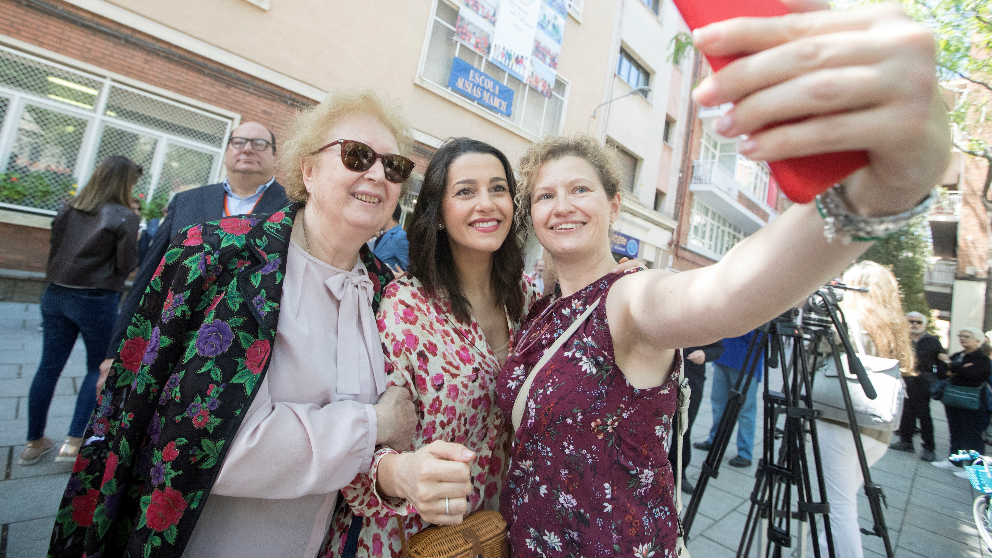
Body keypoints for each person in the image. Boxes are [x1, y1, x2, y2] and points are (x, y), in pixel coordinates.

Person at [493, 4, 949, 554]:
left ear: (614, 204)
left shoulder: (632, 298)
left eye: (580, 190)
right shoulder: (542, 307)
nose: (562, 205)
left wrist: (886, 188)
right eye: (545, 195)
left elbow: (726, 290)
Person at [48, 91, 419, 557]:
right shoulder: (218, 255)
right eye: (357, 155)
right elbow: (205, 446)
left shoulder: (388, 291)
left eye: (395, 166)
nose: (376, 175)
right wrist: (373, 424)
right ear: (308, 170)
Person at [319, 137, 541, 557]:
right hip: (401, 539)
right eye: (465, 191)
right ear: (438, 212)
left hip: (491, 536)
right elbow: (361, 442)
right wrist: (402, 474)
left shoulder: (529, 301)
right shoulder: (406, 305)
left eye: (498, 188)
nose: (487, 203)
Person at [98, 121, 289, 386]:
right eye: (238, 142)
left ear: (274, 155)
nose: (247, 150)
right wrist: (115, 353)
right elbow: (150, 279)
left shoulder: (293, 212)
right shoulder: (187, 202)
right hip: (173, 341)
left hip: (247, 359)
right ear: (227, 150)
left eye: (259, 144)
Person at [18, 156, 141, 466]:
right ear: (124, 182)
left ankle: (33, 443)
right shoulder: (124, 216)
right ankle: (73, 443)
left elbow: (55, 248)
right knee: (96, 367)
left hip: (56, 293)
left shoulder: (67, 207)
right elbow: (127, 264)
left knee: (48, 367)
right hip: (96, 298)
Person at [814, 261, 914, 558]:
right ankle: (826, 548)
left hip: (843, 424)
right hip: (877, 430)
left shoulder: (848, 323)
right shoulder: (892, 327)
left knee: (839, 508)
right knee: (843, 502)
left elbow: (814, 360)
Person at [694, 331, 763, 468]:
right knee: (718, 404)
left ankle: (745, 453)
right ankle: (714, 440)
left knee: (745, 411)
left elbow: (762, 338)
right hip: (724, 357)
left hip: (747, 362)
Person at [890, 311, 946, 461]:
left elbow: (941, 362)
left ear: (924, 325)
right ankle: (905, 441)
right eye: (911, 321)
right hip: (904, 379)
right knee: (905, 412)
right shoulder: (901, 339)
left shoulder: (932, 341)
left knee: (924, 415)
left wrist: (938, 380)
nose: (914, 324)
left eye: (918, 322)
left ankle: (929, 448)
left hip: (922, 382)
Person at [672, 340, 723, 493]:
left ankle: (678, 472)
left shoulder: (704, 318)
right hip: (659, 377)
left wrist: (705, 354)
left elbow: (718, 348)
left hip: (690, 381)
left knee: (682, 429)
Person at [935, 327, 991, 464]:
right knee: (955, 430)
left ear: (978, 340)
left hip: (973, 401)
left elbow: (974, 375)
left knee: (972, 434)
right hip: (953, 398)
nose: (962, 339)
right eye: (961, 336)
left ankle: (976, 467)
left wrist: (951, 366)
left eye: (967, 336)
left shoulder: (982, 359)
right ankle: (954, 461)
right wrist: (958, 368)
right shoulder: (958, 355)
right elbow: (942, 373)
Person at [372, 204, 410, 272]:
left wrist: (403, 277)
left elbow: (410, 270)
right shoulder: (382, 236)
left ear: (389, 214)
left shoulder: (401, 236)